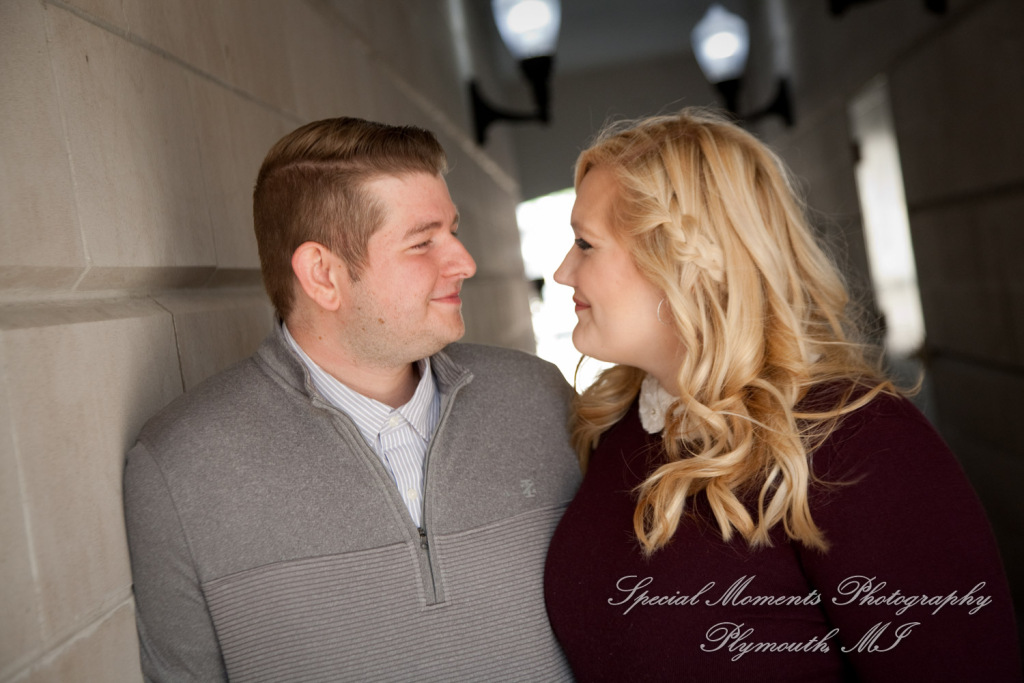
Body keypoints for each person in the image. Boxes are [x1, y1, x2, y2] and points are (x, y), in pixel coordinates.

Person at [543, 109, 1021, 681]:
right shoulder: (613, 429)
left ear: (681, 259)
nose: (562, 272)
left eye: (585, 244)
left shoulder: (857, 442)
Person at [124, 117, 580, 681]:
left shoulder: (539, 399)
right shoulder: (178, 465)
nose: (464, 262)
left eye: (454, 232)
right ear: (322, 274)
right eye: (422, 242)